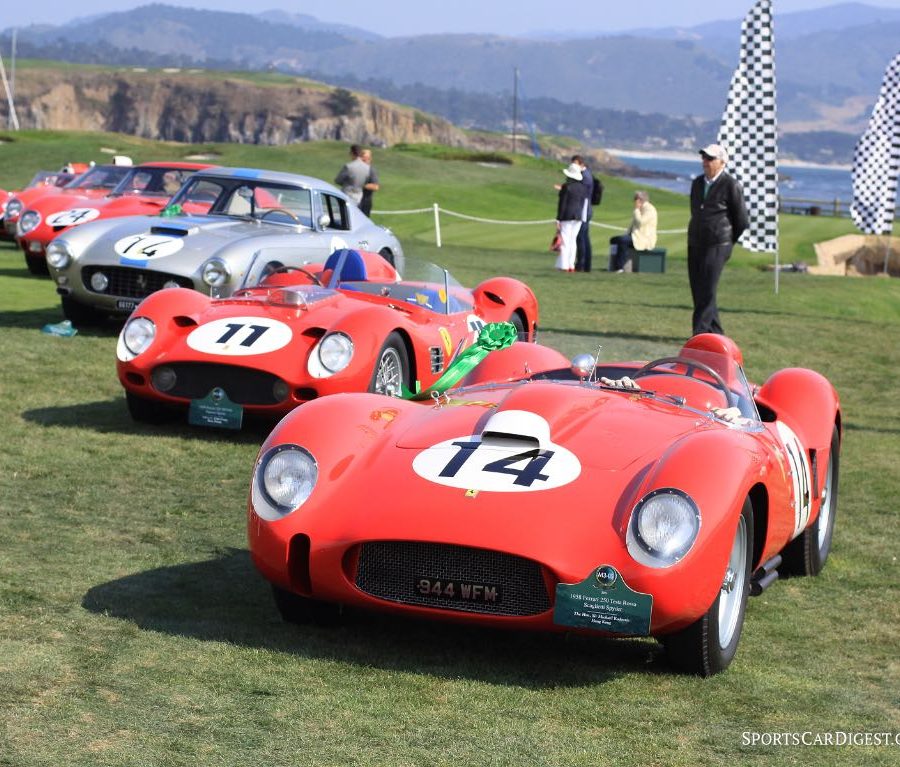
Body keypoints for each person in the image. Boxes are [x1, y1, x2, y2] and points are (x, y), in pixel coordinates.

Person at [687, 143, 749, 335]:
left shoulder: (731, 185)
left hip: (718, 244)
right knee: (698, 289)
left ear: (722, 161)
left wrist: (728, 240)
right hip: (696, 242)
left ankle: (699, 332)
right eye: (704, 158)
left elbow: (741, 219)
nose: (705, 162)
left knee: (707, 288)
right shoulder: (697, 183)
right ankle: (716, 332)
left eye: (710, 158)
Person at [608, 190, 658, 272]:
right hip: (636, 236)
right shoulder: (641, 209)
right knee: (614, 239)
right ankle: (612, 265)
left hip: (644, 239)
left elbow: (640, 223)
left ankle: (619, 267)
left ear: (640, 200)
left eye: (635, 199)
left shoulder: (649, 210)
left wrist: (636, 209)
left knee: (622, 241)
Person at [555, 162, 590, 272]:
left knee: (565, 241)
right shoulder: (582, 188)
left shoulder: (567, 187)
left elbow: (563, 204)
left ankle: (564, 265)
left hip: (567, 216)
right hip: (578, 217)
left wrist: (558, 219)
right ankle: (571, 265)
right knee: (573, 241)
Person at [571, 155, 595, 272]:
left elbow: (581, 193)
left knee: (581, 238)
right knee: (584, 238)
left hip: (584, 211)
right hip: (585, 210)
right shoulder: (587, 176)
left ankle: (582, 264)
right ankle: (585, 264)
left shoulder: (585, 177)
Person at [358, 148, 380, 216]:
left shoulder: (371, 171)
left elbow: (376, 187)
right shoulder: (355, 169)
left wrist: (361, 185)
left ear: (370, 159)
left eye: (367, 158)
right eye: (363, 158)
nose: (365, 160)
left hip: (364, 203)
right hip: (353, 200)